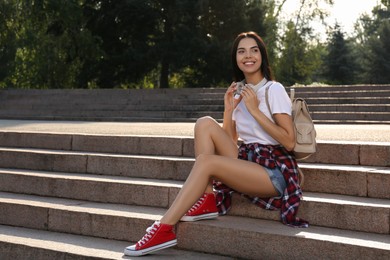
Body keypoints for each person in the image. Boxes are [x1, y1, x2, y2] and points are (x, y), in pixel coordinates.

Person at [123, 31, 308, 257]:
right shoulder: (241, 91)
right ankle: (208, 198)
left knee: (207, 162)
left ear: (262, 56)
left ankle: (164, 228)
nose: (248, 56)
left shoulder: (274, 89)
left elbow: (289, 141)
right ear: (236, 59)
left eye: (254, 50)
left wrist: (254, 110)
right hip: (249, 160)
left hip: (274, 172)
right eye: (241, 51)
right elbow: (229, 143)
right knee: (204, 124)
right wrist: (229, 109)